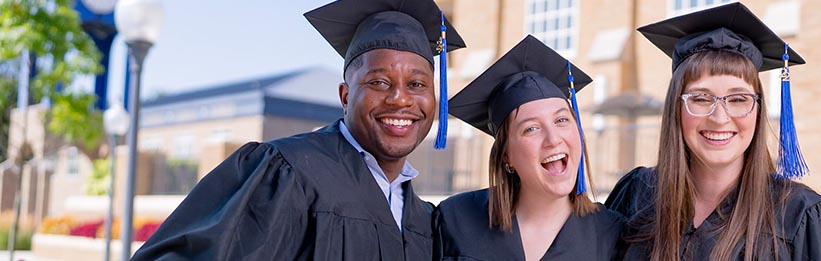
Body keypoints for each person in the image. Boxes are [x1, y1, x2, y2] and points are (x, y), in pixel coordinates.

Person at [132, 0, 465, 259]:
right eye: (378, 81)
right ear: (345, 97)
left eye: (417, 83)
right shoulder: (285, 173)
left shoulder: (424, 219)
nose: (400, 99)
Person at [605, 2, 821, 260]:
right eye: (701, 98)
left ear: (758, 110)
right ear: (675, 108)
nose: (720, 118)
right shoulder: (637, 195)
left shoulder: (800, 216)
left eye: (738, 99)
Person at [433, 35, 624, 261]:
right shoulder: (456, 220)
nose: (553, 139)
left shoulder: (613, 236)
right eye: (531, 128)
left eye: (561, 120)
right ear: (506, 156)